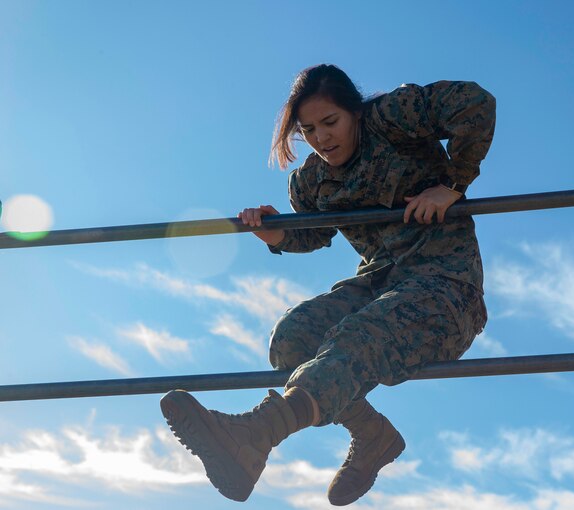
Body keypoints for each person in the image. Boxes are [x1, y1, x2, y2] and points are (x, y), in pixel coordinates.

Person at [160, 64, 495, 506]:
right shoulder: (311, 181)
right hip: (379, 281)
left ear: (355, 112)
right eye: (308, 130)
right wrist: (276, 232)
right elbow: (316, 234)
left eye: (331, 122)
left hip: (445, 286)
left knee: (361, 336)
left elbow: (475, 102)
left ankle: (256, 433)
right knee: (293, 338)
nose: (321, 138)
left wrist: (452, 185)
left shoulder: (394, 117)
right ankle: (372, 435)